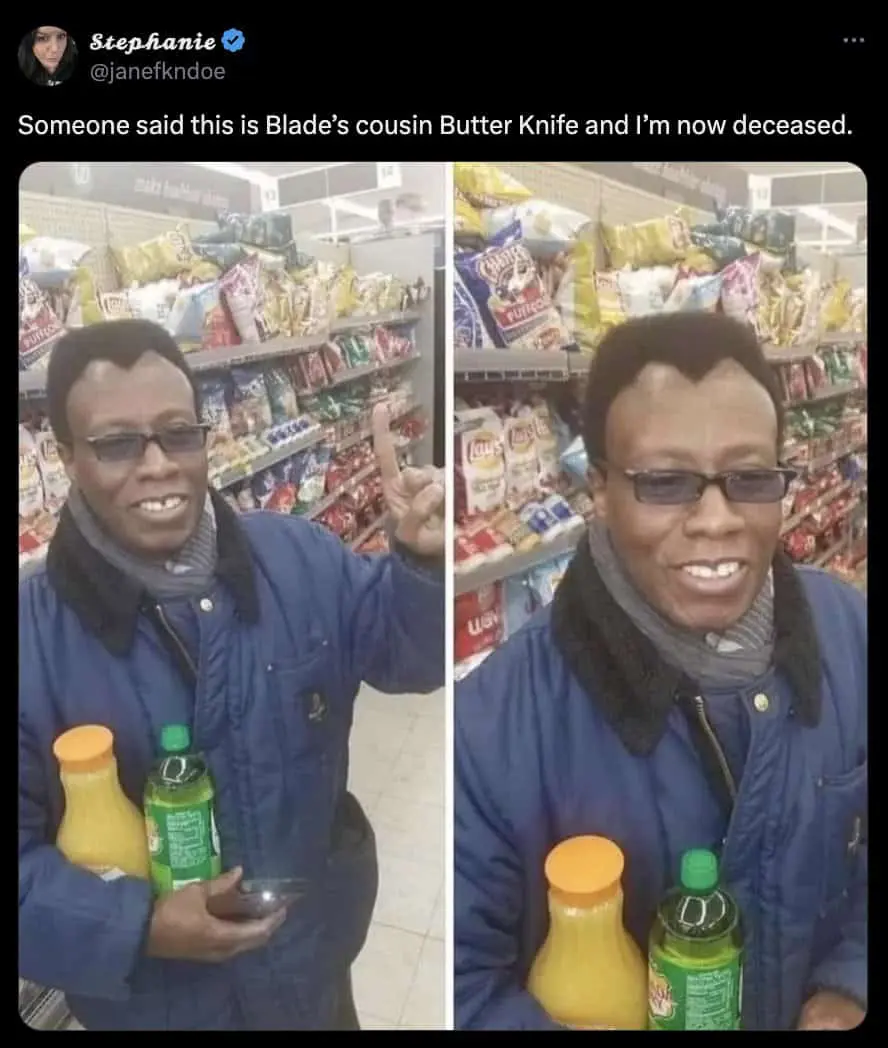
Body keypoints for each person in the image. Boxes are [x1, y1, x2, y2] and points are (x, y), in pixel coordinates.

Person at [19, 318, 445, 1030]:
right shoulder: (32, 636)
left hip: (311, 970)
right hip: (156, 1006)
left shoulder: (302, 557)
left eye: (178, 433)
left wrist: (423, 567)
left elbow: (410, 658)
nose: (157, 464)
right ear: (66, 457)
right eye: (117, 444)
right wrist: (139, 926)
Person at [454, 312, 866, 1031]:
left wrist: (850, 985)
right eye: (667, 482)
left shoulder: (850, 634)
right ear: (600, 492)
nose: (716, 519)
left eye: (750, 477)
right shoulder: (493, 730)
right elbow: (460, 987)